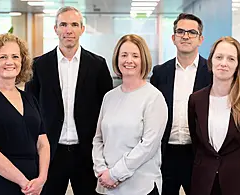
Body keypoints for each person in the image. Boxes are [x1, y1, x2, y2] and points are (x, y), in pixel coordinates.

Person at [25, 6, 113, 195]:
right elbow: (30, 109)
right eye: (63, 24)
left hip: (86, 153)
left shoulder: (98, 65)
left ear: (82, 29)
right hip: (50, 153)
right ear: (55, 29)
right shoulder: (39, 65)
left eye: (74, 24)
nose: (68, 30)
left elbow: (108, 110)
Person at [92, 34, 168, 195]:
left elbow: (148, 146)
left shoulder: (154, 98)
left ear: (144, 60)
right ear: (117, 59)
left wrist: (115, 174)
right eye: (124, 55)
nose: (129, 60)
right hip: (107, 185)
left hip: (141, 187)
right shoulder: (109, 97)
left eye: (135, 56)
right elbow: (98, 139)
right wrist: (101, 170)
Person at [150, 13, 212, 195]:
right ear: (173, 37)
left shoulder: (211, 73)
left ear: (200, 39)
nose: (185, 36)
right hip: (165, 154)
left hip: (198, 154)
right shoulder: (160, 72)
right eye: (180, 31)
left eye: (192, 32)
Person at [0, 33, 50, 195]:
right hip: (1, 183)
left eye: (15, 56)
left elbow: (43, 143)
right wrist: (24, 183)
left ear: (22, 61)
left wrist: (41, 179)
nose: (10, 62)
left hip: (34, 184)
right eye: (3, 57)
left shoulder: (29, 99)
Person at [188, 36, 240, 195]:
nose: (224, 63)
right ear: (211, 60)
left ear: (238, 65)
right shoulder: (196, 100)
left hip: (237, 182)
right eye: (219, 57)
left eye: (231, 59)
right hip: (204, 181)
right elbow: (196, 141)